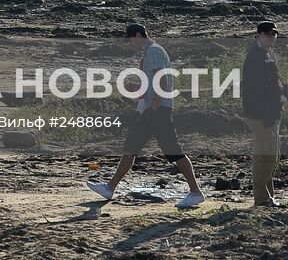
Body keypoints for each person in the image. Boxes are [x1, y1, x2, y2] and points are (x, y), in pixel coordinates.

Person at [87, 23, 206, 209]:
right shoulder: (150, 51)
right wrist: (137, 88)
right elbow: (153, 82)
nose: (129, 45)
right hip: (152, 109)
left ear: (136, 36)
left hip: (157, 110)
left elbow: (163, 81)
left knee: (173, 151)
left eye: (129, 40)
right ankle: (109, 188)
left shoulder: (153, 52)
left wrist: (155, 106)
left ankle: (196, 192)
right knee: (131, 146)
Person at [242, 21, 288, 207]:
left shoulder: (266, 54)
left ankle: (268, 197)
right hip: (261, 114)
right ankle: (262, 199)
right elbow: (255, 91)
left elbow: (268, 84)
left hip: (269, 112)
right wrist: (267, 116)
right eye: (267, 34)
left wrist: (282, 90)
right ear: (258, 35)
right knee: (267, 157)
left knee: (269, 156)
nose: (271, 37)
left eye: (274, 34)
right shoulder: (255, 57)